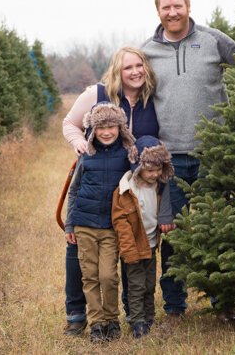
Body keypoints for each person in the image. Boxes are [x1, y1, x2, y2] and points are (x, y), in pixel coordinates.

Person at [141, 0, 235, 318]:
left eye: (177, 5)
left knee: (220, 227)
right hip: (170, 160)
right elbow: (126, 88)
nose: (172, 12)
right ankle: (175, 307)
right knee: (172, 232)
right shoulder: (147, 52)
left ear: (188, 6)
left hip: (214, 154)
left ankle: (225, 303)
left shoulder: (213, 40)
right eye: (165, 7)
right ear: (158, 11)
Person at [61, 46, 158, 336]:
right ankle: (79, 314)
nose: (135, 71)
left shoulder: (151, 98)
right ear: (117, 70)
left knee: (126, 254)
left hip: (131, 190)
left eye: (139, 65)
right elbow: (69, 123)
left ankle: (129, 314)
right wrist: (80, 144)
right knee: (80, 257)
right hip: (93, 186)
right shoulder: (97, 94)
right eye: (128, 67)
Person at [65, 102, 134, 343]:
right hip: (84, 225)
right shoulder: (86, 154)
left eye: (111, 126)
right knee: (90, 276)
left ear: (120, 127)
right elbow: (73, 191)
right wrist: (70, 225)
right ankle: (97, 324)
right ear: (93, 129)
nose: (106, 132)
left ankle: (112, 319)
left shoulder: (127, 155)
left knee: (108, 276)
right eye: (101, 127)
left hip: (111, 227)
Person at [112, 135, 175, 338]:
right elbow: (121, 224)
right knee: (136, 285)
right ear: (138, 167)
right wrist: (129, 251)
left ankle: (149, 316)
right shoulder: (126, 191)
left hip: (151, 245)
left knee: (149, 283)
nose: (155, 174)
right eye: (150, 170)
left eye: (159, 169)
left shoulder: (158, 187)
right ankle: (137, 321)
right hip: (133, 248)